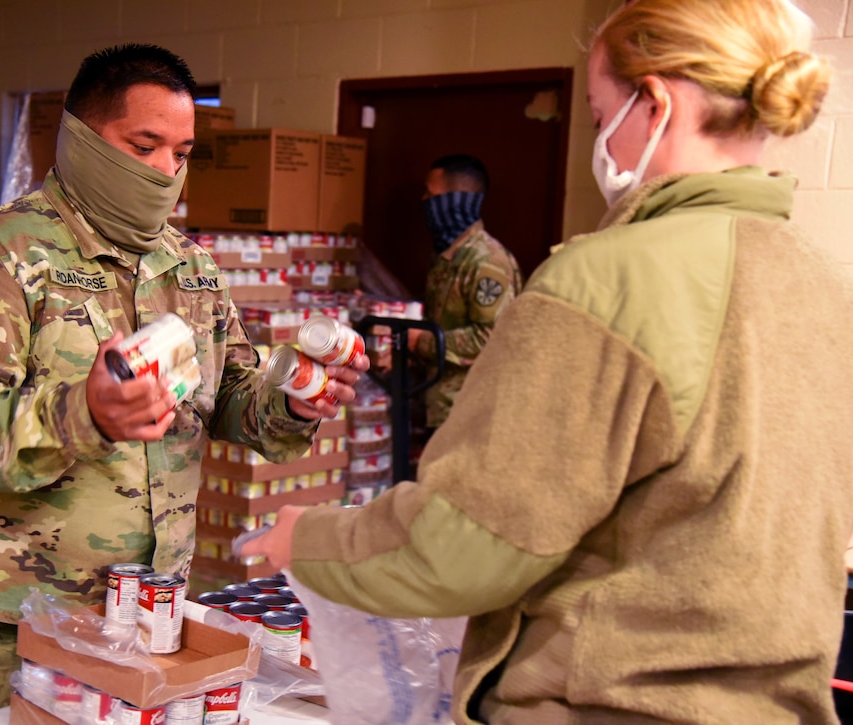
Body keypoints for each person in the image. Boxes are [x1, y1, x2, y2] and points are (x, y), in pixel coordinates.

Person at [244, 1, 853, 722]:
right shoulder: (820, 279)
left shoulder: (608, 278)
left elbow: (467, 544)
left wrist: (308, 537)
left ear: (653, 103)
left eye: (599, 118)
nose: (601, 143)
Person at [0, 43, 366, 713]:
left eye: (180, 154)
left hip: (148, 614)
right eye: (143, 146)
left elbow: (232, 395)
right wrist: (82, 414)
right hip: (14, 621)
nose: (163, 171)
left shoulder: (188, 265)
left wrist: (294, 395)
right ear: (85, 138)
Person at [409, 154, 523, 429]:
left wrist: (421, 342)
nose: (424, 201)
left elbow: (491, 338)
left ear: (456, 200)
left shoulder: (486, 262)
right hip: (438, 407)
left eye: (431, 194)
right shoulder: (446, 257)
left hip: (470, 415)